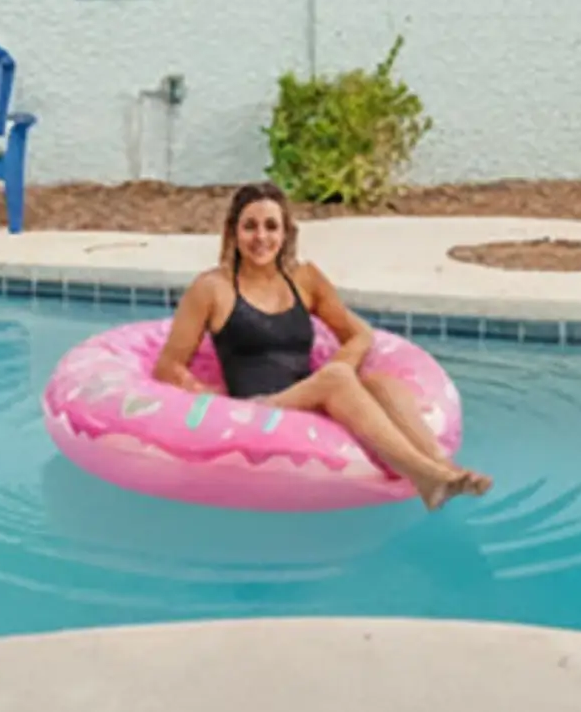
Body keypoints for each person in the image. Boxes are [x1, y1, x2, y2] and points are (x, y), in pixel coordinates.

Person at [151, 182, 490, 507]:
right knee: (339, 379)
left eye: (271, 227)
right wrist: (208, 396)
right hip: (261, 405)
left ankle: (445, 468)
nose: (261, 237)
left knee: (379, 383)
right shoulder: (212, 288)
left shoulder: (305, 279)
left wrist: (337, 366)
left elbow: (359, 333)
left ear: (286, 233)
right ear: (233, 232)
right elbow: (168, 366)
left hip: (311, 393)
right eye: (250, 227)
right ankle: (426, 477)